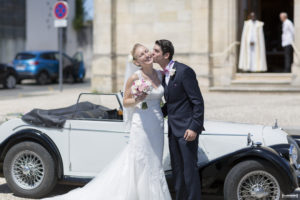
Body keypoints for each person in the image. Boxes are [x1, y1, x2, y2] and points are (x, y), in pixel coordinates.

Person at [43, 43, 172, 200]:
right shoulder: (134, 78)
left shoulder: (161, 75)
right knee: (141, 159)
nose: (146, 54)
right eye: (141, 54)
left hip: (157, 123)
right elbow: (126, 103)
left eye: (146, 51)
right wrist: (138, 98)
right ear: (137, 62)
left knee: (155, 161)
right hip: (142, 124)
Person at [152, 39, 205, 200]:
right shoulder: (164, 75)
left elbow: (197, 102)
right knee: (178, 170)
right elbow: (172, 104)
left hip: (187, 130)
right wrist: (154, 114)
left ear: (166, 55)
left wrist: (194, 127)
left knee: (189, 171)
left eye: (156, 51)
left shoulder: (184, 71)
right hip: (173, 130)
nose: (152, 53)